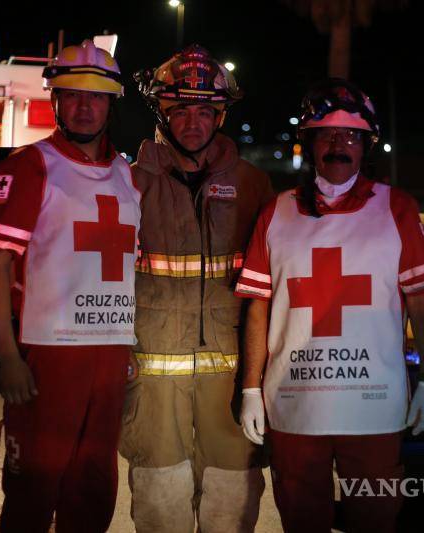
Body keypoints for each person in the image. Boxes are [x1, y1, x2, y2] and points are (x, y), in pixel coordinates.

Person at [236, 78, 424, 533]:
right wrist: (251, 389)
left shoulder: (397, 208)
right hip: (294, 402)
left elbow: (422, 301)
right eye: (326, 135)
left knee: (374, 517)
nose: (338, 145)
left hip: (374, 406)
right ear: (309, 143)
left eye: (350, 136)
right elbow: (258, 306)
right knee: (300, 518)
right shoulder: (276, 211)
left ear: (366, 145)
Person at [0, 40, 139, 533]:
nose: (84, 107)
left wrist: (129, 347)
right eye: (72, 95)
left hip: (110, 356)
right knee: (33, 488)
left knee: (93, 488)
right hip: (47, 356)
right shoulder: (30, 166)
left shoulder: (125, 173)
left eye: (95, 97)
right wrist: (8, 355)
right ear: (56, 100)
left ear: (111, 104)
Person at [119, 44, 273, 532]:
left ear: (220, 116)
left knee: (232, 498)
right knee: (160, 496)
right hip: (153, 376)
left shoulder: (253, 186)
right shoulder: (127, 184)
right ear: (161, 114)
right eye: (180, 110)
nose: (193, 123)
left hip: (230, 379)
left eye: (205, 111)